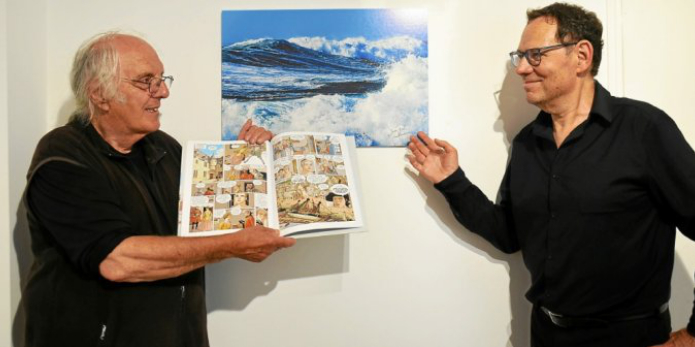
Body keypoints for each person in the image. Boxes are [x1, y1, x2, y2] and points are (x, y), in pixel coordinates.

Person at [408, 3, 695, 347]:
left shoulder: (644, 129)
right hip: (546, 335)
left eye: (536, 55)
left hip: (630, 337)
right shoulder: (528, 143)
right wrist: (451, 180)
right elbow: (509, 234)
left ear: (582, 56)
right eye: (520, 56)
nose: (522, 69)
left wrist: (692, 336)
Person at [21, 32, 296, 347]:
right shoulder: (63, 156)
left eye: (162, 79)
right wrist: (232, 246)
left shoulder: (164, 149)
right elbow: (117, 260)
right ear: (99, 93)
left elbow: (204, 220)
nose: (163, 92)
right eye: (146, 81)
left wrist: (245, 160)